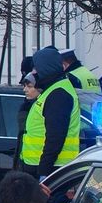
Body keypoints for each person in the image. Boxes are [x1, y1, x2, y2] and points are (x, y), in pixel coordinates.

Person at [19, 46, 79, 179]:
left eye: (36, 68)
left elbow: (55, 137)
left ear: (46, 68)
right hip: (45, 166)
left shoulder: (58, 94)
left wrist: (44, 172)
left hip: (52, 169)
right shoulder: (53, 89)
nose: (34, 72)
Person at [12, 71, 40, 169]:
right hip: (27, 163)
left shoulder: (42, 106)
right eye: (24, 86)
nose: (25, 89)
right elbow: (21, 137)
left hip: (34, 163)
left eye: (29, 86)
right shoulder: (26, 107)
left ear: (39, 88)